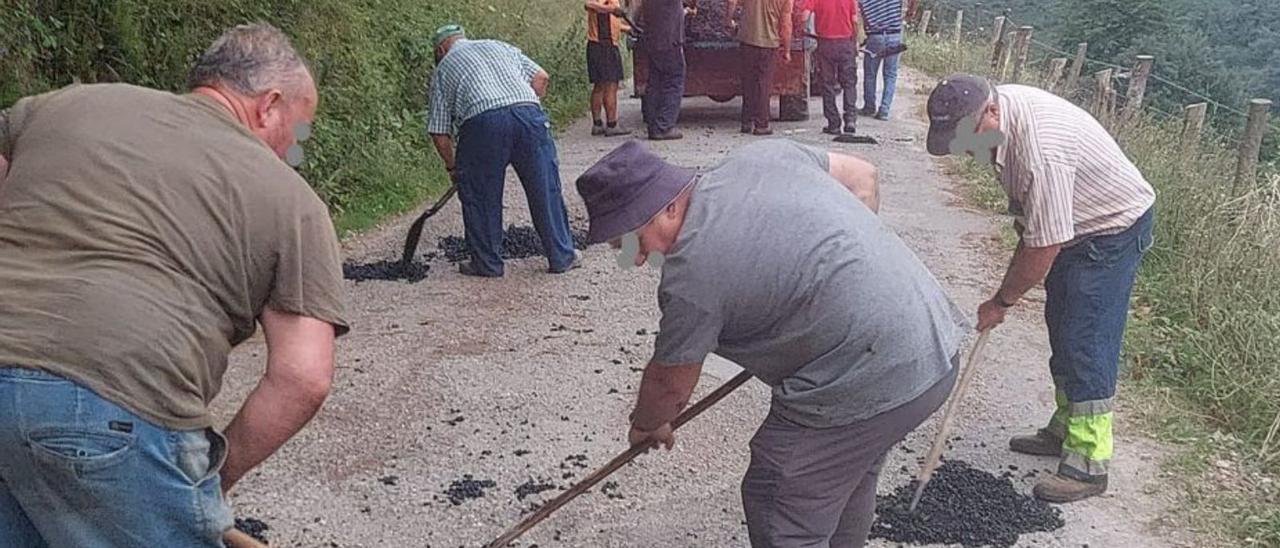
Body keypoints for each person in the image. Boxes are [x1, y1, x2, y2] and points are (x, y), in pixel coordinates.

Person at [0, 24, 347, 546]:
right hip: (113, 408)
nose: (292, 153)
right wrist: (212, 481)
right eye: (298, 136)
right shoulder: (290, 200)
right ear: (269, 105)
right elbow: (304, 376)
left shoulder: (68, 106)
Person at [575, 139, 970, 547]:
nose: (637, 259)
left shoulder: (692, 277)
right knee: (842, 474)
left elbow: (670, 385)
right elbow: (863, 175)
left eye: (633, 240)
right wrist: (840, 276)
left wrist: (646, 424)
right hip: (933, 345)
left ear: (669, 206)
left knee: (780, 493)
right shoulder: (760, 157)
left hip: (875, 372)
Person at [925, 74, 1156, 502]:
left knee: (1086, 338)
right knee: (1062, 327)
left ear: (990, 113)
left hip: (1111, 230)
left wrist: (1001, 301)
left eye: (963, 138)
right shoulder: (998, 126)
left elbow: (1043, 244)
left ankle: (1089, 463)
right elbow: (1035, 225)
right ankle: (1065, 428)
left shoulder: (1040, 151)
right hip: (1074, 227)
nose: (962, 150)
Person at [427, 24, 580, 277]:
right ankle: (562, 255)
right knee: (545, 188)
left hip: (481, 124)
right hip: (528, 115)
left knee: (481, 194)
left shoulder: (444, 68)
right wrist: (522, 109)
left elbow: (439, 133)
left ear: (442, 49)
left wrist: (454, 168)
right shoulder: (498, 45)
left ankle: (487, 263)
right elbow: (542, 77)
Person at [727, 0, 795, 135]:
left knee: (748, 81)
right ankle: (762, 124)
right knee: (764, 83)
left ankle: (746, 122)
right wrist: (787, 50)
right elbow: (786, 25)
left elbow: (732, 2)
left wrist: (729, 20)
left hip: (747, 41)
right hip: (769, 44)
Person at [635, 0, 689, 140]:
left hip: (654, 39)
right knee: (674, 81)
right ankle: (664, 126)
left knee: (655, 82)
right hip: (669, 40)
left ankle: (653, 125)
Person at [807, 0, 860, 134]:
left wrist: (799, 30)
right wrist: (855, 41)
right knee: (849, 83)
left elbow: (804, 15)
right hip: (846, 43)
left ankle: (834, 123)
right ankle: (850, 120)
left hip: (825, 44)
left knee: (827, 84)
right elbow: (855, 21)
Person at [586, 0, 633, 137]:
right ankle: (612, 124)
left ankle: (597, 124)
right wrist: (611, 9)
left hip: (598, 45)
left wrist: (628, 29)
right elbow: (589, 5)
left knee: (599, 85)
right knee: (611, 84)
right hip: (604, 45)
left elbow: (611, 21)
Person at [858, 0, 904, 120]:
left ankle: (869, 106)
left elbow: (863, 16)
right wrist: (910, 12)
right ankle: (884, 109)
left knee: (870, 74)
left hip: (875, 36)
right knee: (890, 74)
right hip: (894, 35)